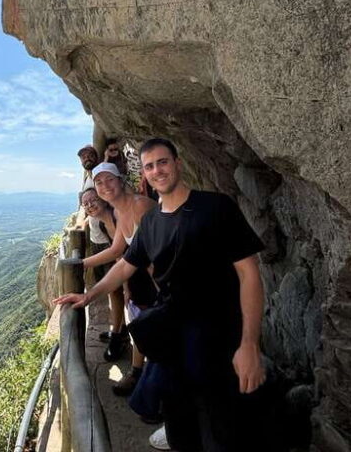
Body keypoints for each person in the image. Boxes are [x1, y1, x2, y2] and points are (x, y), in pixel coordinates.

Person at [55, 138, 267, 452]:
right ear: (145, 172)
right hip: (173, 337)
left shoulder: (216, 207)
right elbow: (126, 264)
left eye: (163, 162)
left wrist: (249, 343)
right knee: (181, 421)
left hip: (219, 333)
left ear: (178, 163)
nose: (157, 170)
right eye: (150, 165)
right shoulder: (153, 221)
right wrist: (89, 295)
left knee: (222, 424)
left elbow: (249, 275)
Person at [82, 162, 157, 394]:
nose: (105, 186)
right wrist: (80, 264)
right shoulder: (120, 212)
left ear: (121, 180)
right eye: (99, 182)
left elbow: (158, 255)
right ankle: (140, 378)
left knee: (157, 340)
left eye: (109, 180)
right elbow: (117, 252)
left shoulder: (140, 206)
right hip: (143, 286)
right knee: (144, 333)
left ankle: (150, 389)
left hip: (160, 286)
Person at [79, 187, 126, 359]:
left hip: (140, 267)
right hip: (127, 264)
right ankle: (119, 330)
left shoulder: (116, 216)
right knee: (114, 293)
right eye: (85, 204)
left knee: (122, 296)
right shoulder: (101, 222)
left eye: (93, 200)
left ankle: (120, 337)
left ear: (104, 199)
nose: (90, 205)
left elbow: (117, 251)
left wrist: (80, 264)